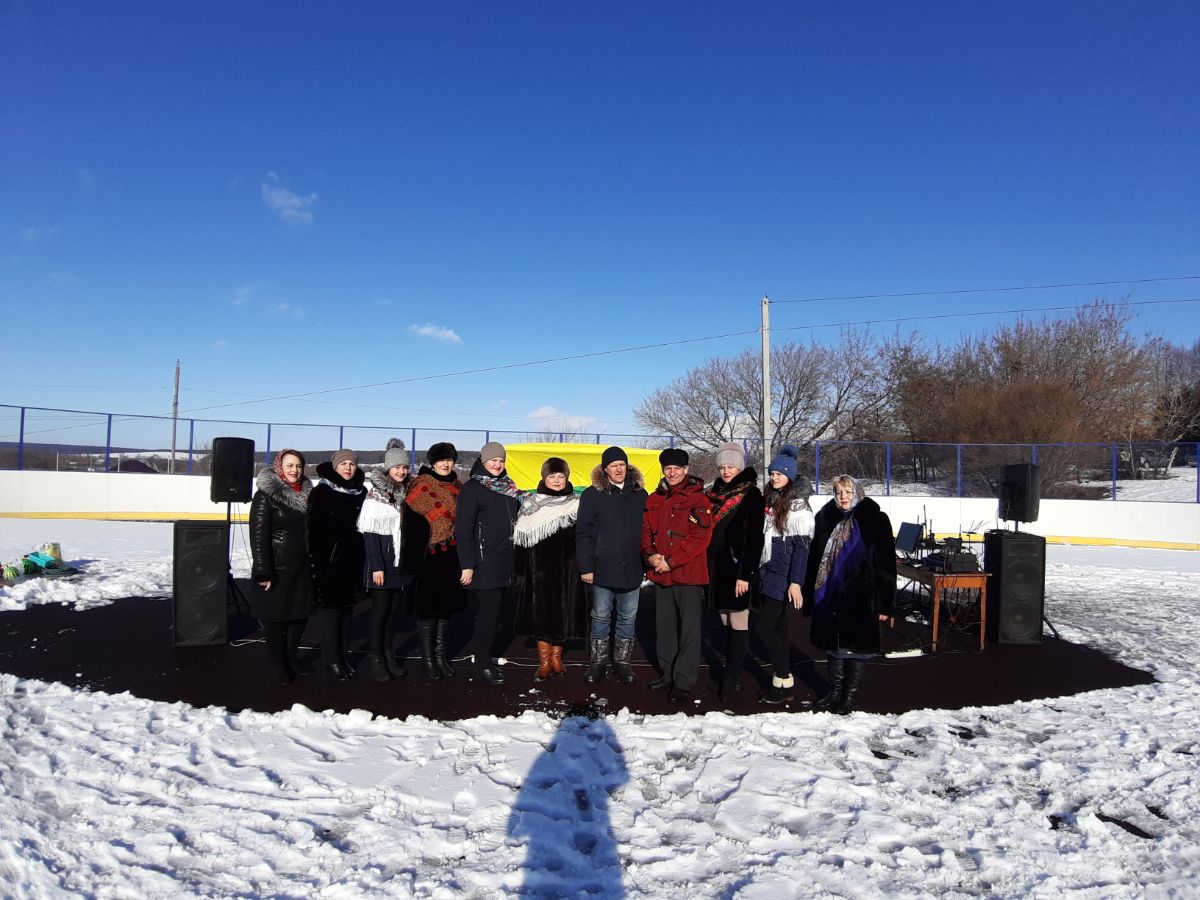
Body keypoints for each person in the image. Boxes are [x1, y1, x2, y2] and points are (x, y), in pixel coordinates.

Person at [796, 474, 896, 714]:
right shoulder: (825, 518)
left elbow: (886, 564)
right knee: (834, 647)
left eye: (848, 492)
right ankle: (835, 690)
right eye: (838, 492)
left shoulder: (875, 520)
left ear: (857, 493)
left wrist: (884, 603)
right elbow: (814, 559)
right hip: (830, 594)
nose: (843, 497)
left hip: (861, 595)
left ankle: (848, 695)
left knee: (856, 648)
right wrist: (810, 593)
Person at [641, 447, 713, 703]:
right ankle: (668, 673)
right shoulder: (654, 499)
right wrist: (650, 556)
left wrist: (671, 562)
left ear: (686, 470)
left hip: (688, 574)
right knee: (665, 627)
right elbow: (645, 531)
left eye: (677, 469)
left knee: (689, 629)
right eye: (668, 468)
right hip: (662, 573)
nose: (672, 473)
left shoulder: (698, 499)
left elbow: (700, 537)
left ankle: (683, 680)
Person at [576, 446, 648, 684]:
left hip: (632, 568)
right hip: (602, 568)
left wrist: (647, 561)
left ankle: (622, 663)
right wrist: (586, 567)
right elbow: (583, 533)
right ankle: (597, 662)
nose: (619, 469)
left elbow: (648, 531)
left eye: (622, 465)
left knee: (628, 618)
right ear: (605, 469)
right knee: (600, 616)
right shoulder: (592, 495)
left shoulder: (640, 494)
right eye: (613, 466)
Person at [513, 457, 587, 681]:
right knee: (542, 615)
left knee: (564, 613)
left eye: (560, 476)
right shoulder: (531, 503)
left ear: (567, 478)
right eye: (552, 476)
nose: (556, 480)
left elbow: (585, 537)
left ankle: (557, 658)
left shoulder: (577, 503)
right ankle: (544, 662)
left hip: (569, 570)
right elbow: (521, 539)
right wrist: (520, 570)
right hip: (539, 570)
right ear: (544, 478)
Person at [456, 441, 522, 685]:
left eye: (501, 460)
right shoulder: (472, 489)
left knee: (497, 613)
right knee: (488, 615)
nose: (497, 464)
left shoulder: (508, 487)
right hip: (485, 562)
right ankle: (482, 663)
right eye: (493, 460)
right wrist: (467, 564)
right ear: (483, 461)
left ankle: (486, 655)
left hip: (505, 559)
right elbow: (463, 529)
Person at [705, 441, 765, 703]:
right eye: (722, 467)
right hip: (716, 568)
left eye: (731, 466)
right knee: (725, 621)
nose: (726, 471)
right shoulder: (714, 493)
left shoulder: (751, 494)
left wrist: (745, 574)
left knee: (739, 622)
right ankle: (731, 669)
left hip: (737, 569)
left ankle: (731, 679)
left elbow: (754, 538)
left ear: (739, 468)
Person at [248, 449, 314, 685]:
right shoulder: (265, 496)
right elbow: (258, 536)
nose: (295, 470)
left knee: (299, 615)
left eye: (298, 466)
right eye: (290, 465)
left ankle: (291, 658)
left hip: (302, 567)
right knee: (275, 618)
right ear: (279, 467)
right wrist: (263, 570)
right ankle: (279, 665)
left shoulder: (308, 495)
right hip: (278, 568)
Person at [754, 444, 813, 704]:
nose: (774, 477)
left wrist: (796, 582)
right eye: (772, 473)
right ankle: (782, 682)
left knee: (764, 627)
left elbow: (802, 549)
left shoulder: (799, 507)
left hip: (783, 572)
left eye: (779, 474)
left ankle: (783, 676)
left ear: (789, 475)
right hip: (769, 567)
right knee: (778, 626)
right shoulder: (772, 498)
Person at [403, 442, 465, 680]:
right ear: (432, 462)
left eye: (449, 460)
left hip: (451, 554)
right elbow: (410, 527)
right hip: (427, 555)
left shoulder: (458, 487)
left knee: (445, 609)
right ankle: (428, 659)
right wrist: (411, 563)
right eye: (441, 460)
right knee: (427, 611)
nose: (446, 464)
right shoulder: (420, 486)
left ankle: (441, 656)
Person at [306, 449, 367, 682]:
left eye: (352, 463)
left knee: (348, 612)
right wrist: (318, 565)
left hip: (353, 562)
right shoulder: (323, 492)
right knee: (331, 613)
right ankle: (331, 660)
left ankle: (343, 656)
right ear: (335, 467)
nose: (348, 468)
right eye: (343, 464)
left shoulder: (360, 492)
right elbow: (313, 532)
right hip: (329, 563)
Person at [357, 438, 414, 683]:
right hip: (382, 565)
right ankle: (377, 658)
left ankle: (389, 654)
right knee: (380, 613)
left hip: (399, 563)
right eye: (397, 467)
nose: (401, 471)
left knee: (393, 613)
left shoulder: (407, 493)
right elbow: (370, 535)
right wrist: (377, 567)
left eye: (404, 467)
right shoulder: (375, 496)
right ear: (388, 468)